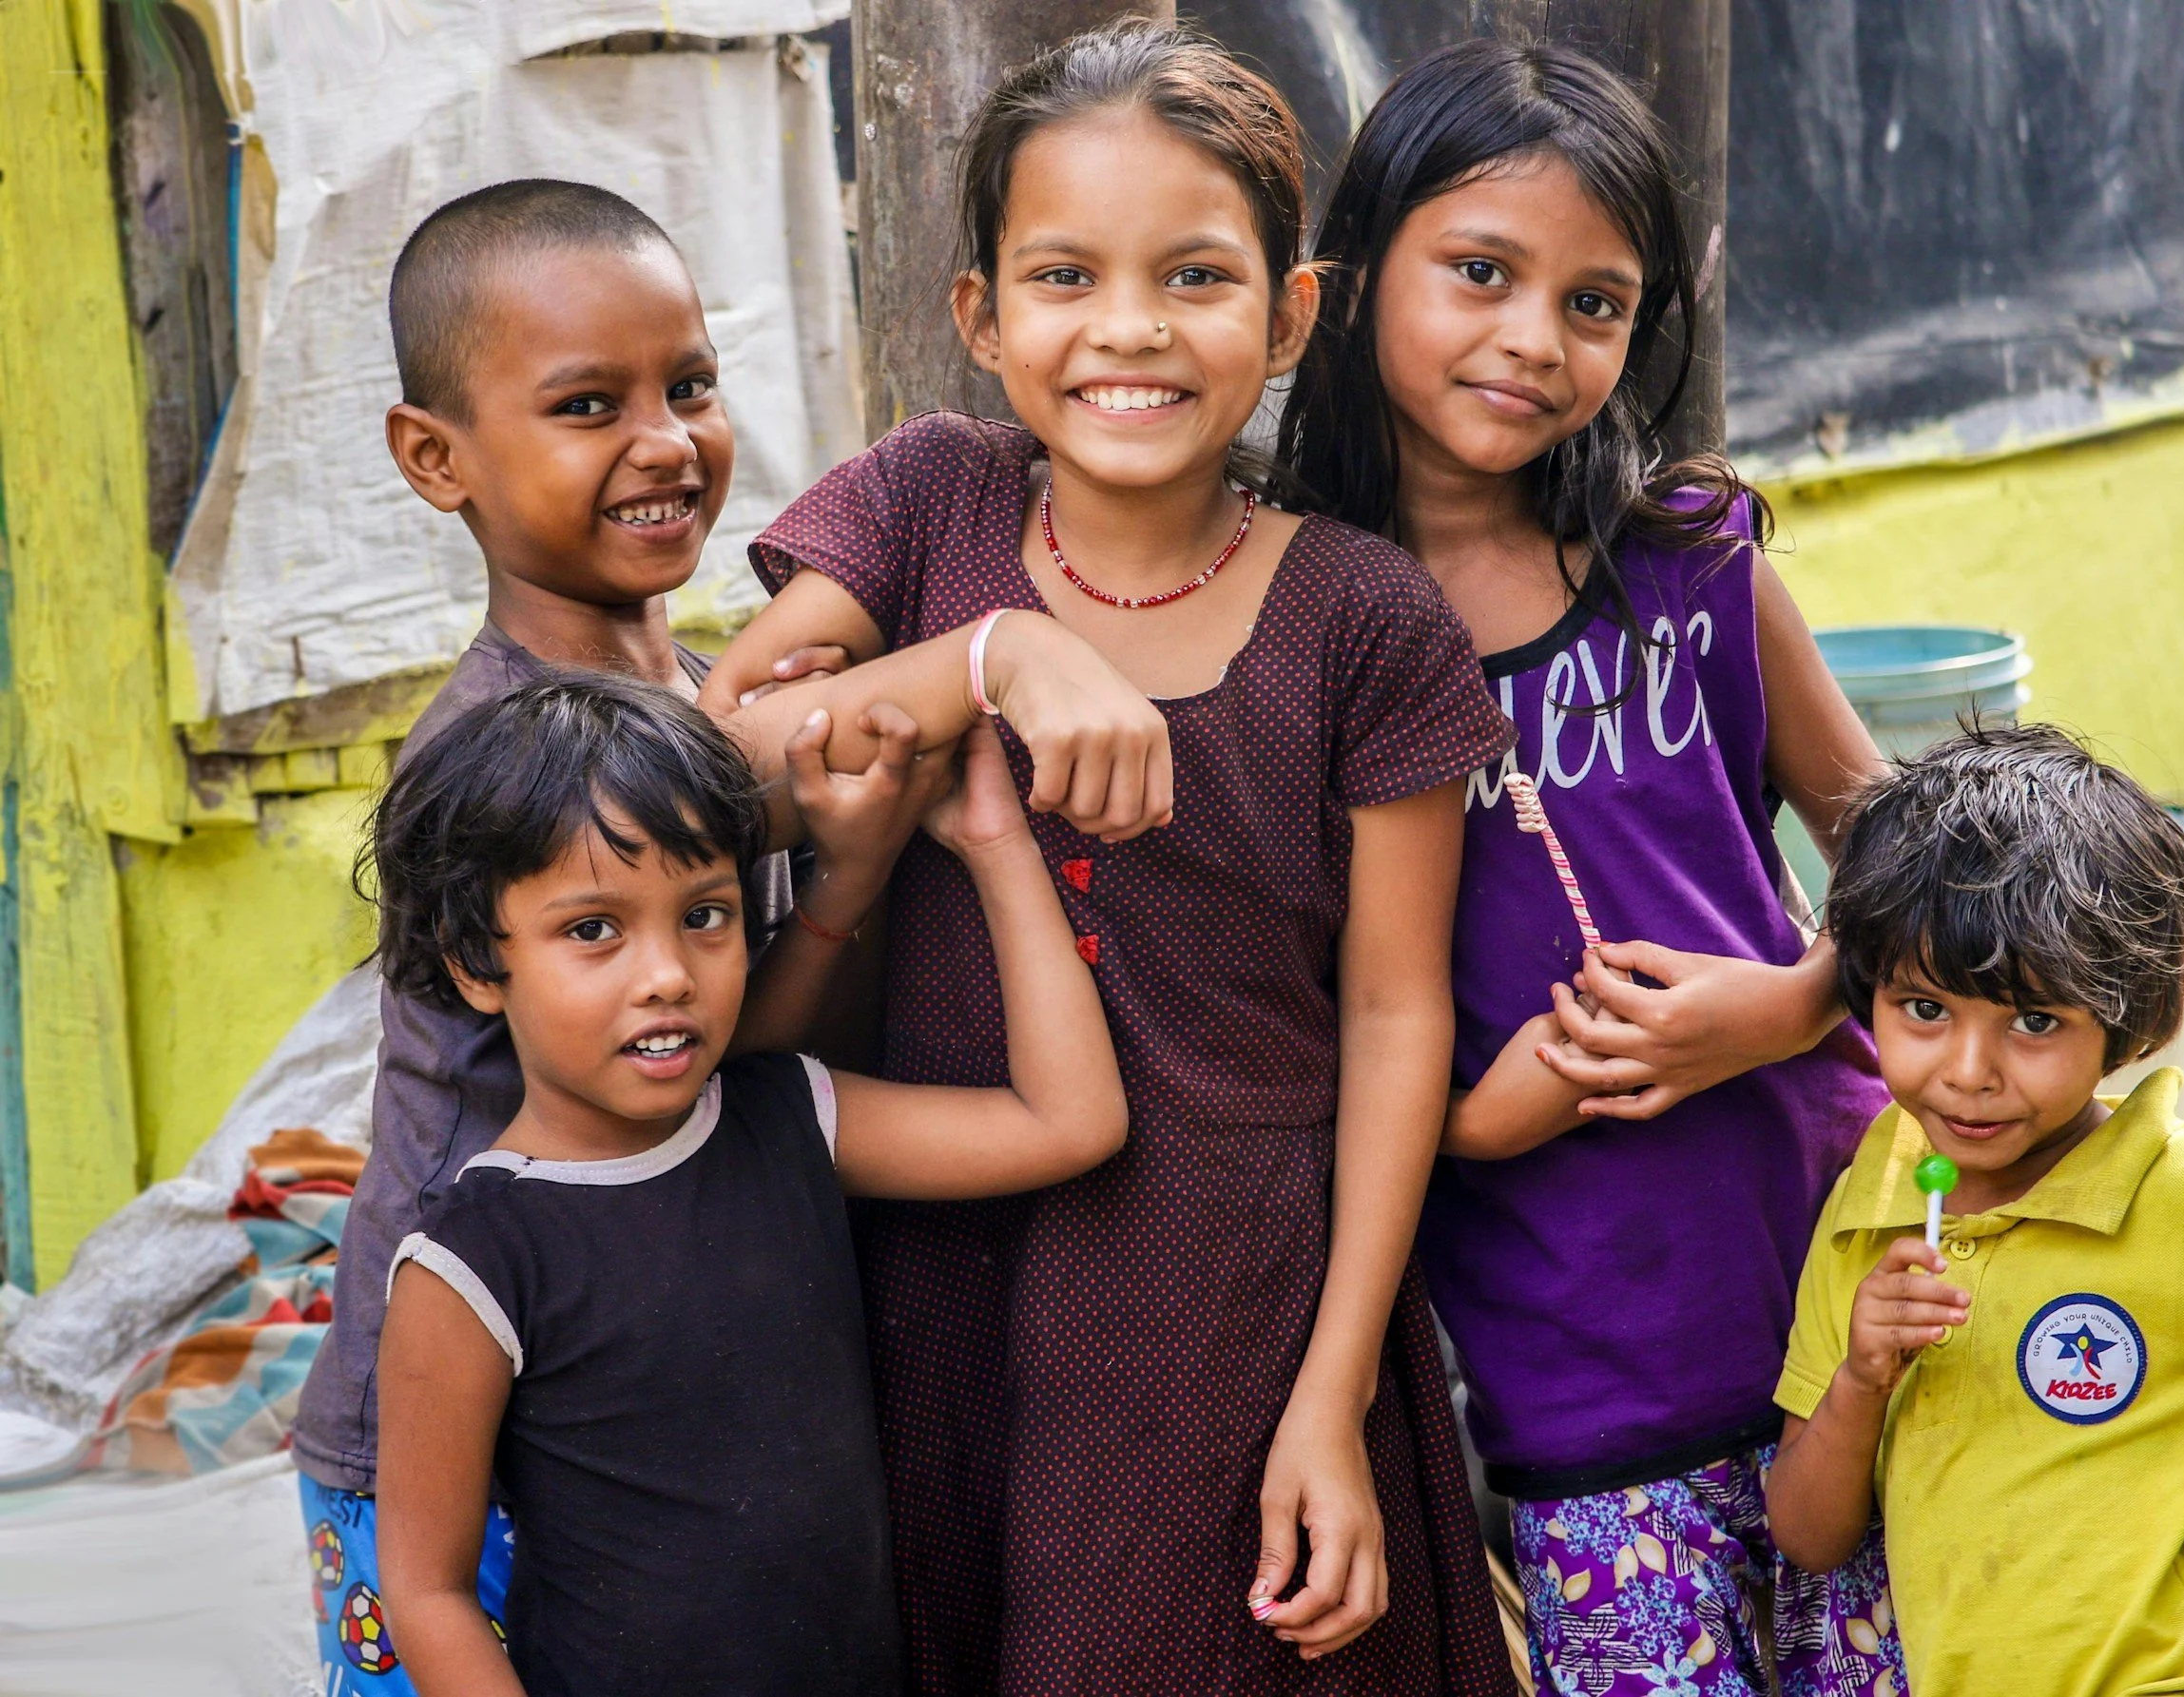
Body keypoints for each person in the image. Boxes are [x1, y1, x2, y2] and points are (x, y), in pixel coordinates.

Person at [697, 22, 1517, 1694]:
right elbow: (717, 767)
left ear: (1290, 315)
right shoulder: (926, 509)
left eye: (1196, 277)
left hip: (1227, 1308)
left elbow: (1393, 1022)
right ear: (983, 317)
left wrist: (1336, 1393)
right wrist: (989, 657)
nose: (1129, 329)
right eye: (1065, 275)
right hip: (935, 1286)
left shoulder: (1365, 622)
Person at [293, 178, 1167, 1695]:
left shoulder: (700, 694)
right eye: (586, 403)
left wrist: (852, 874)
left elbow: (751, 1060)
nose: (666, 440)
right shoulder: (505, 751)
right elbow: (740, 755)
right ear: (434, 457)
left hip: (662, 1380)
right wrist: (1006, 647)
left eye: (690, 385)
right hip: (456, 1409)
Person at [1274, 39, 1902, 1697]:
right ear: (1352, 278)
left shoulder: (1690, 555)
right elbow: (1288, 1019)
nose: (1532, 341)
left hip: (1845, 1308)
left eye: (1595, 303)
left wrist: (1784, 1007)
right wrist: (1498, 1108)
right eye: (1478, 272)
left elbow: (1915, 857)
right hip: (1580, 1376)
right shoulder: (1293, 625)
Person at [368, 676, 1126, 1696]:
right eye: (593, 929)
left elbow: (1070, 1122)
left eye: (706, 915)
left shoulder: (787, 1118)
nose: (669, 975)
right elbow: (429, 1592)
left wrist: (996, 849)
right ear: (475, 962)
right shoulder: (471, 1264)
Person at [1766, 723, 2184, 1695]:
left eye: (2035, 1022)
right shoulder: (1873, 1203)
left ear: (2126, 1024)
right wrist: (1859, 1381)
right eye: (1923, 1009)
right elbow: (1805, 1533)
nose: (1968, 1075)